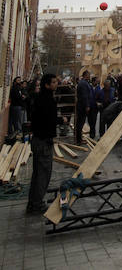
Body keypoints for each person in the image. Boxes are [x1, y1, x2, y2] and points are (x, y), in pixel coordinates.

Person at [26, 73, 64, 215]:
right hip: (43, 141)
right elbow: (49, 119)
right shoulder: (47, 100)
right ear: (47, 84)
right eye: (54, 82)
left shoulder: (39, 98)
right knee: (43, 174)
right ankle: (37, 204)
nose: (56, 84)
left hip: (38, 139)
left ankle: (33, 202)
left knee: (37, 174)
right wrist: (61, 121)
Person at [75, 71, 93, 145]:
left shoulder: (84, 82)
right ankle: (79, 140)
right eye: (89, 75)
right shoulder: (83, 83)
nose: (90, 76)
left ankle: (79, 139)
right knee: (80, 123)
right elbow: (84, 96)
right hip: (82, 106)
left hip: (82, 105)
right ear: (86, 75)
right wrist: (87, 105)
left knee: (80, 123)